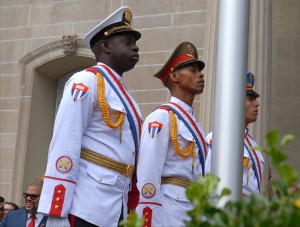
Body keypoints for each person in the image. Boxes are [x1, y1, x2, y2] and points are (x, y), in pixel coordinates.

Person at [37, 6, 142, 227]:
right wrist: (57, 207)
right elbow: (66, 141)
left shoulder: (126, 97)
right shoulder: (85, 81)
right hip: (86, 204)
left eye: (135, 42)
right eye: (128, 42)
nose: (135, 47)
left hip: (114, 205)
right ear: (105, 46)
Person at [136, 42, 209, 226]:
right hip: (169, 211)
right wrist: (148, 219)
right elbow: (148, 172)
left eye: (198, 70)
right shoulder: (162, 117)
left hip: (192, 211)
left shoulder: (196, 126)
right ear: (174, 76)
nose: (200, 74)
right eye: (192, 70)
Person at [206, 72, 266, 196]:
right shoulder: (218, 138)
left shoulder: (253, 145)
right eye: (250, 99)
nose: (257, 103)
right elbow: (207, 179)